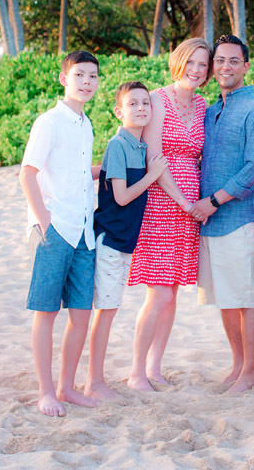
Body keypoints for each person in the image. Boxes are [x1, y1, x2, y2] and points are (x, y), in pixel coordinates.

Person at [190, 34, 254, 394]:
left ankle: (251, 373)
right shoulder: (212, 109)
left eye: (233, 61)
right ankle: (238, 365)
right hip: (210, 223)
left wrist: (214, 200)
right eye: (219, 61)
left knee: (244, 296)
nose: (225, 67)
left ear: (245, 66)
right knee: (224, 298)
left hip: (239, 218)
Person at [127, 38, 212, 391]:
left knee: (173, 294)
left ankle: (155, 368)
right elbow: (155, 157)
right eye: (190, 62)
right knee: (158, 294)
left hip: (190, 209)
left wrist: (200, 203)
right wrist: (182, 201)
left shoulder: (204, 104)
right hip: (162, 204)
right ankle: (135, 373)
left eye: (202, 65)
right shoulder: (158, 100)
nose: (196, 70)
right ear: (179, 62)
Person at [20, 50, 100, 417]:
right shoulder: (49, 121)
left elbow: (79, 173)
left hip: (85, 231)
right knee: (46, 312)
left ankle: (67, 387)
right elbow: (28, 173)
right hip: (56, 232)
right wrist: (45, 225)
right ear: (63, 78)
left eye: (93, 77)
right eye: (79, 75)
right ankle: (46, 392)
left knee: (82, 314)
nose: (86, 82)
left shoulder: (86, 124)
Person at [84, 81, 170, 400]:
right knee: (106, 311)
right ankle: (94, 382)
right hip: (109, 239)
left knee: (111, 308)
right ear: (120, 112)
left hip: (124, 242)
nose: (141, 108)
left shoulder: (140, 146)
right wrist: (152, 175)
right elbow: (120, 197)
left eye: (146, 103)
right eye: (132, 104)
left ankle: (96, 380)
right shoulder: (118, 144)